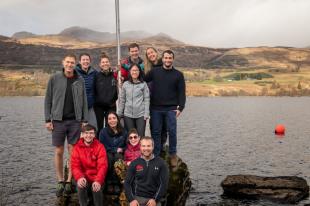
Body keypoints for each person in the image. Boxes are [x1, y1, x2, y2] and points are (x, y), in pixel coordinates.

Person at [44, 54, 88, 197]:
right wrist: (47, 119)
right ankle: (60, 180)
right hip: (58, 121)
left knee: (73, 152)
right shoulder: (54, 78)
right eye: (67, 62)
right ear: (63, 63)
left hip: (75, 121)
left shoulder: (79, 79)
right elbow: (48, 100)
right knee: (58, 151)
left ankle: (69, 181)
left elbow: (84, 101)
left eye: (72, 63)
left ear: (75, 64)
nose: (70, 65)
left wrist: (84, 119)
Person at [144, 50, 186, 166]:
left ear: (173, 59)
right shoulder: (154, 72)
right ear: (162, 59)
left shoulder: (178, 75)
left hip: (171, 108)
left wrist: (180, 108)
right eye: (166, 58)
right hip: (155, 108)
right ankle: (156, 155)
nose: (168, 60)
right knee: (156, 132)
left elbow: (181, 93)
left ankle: (173, 154)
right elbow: (141, 79)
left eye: (170, 58)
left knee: (172, 132)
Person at [124, 136, 169, 206]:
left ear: (153, 147)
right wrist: (132, 200)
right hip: (137, 199)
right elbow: (127, 183)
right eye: (143, 146)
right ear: (140, 147)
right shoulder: (134, 163)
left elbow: (164, 184)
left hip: (154, 200)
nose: (146, 148)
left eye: (148, 146)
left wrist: (155, 199)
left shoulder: (161, 163)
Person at [71, 124, 108, 206]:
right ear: (82, 134)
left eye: (91, 133)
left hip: (96, 177)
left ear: (94, 135)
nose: (88, 135)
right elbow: (75, 166)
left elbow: (103, 166)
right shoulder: (77, 148)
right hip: (83, 177)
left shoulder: (100, 147)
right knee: (80, 185)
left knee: (96, 189)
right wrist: (80, 177)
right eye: (86, 133)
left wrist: (98, 180)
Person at [144, 47, 168, 152]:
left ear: (156, 53)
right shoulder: (147, 68)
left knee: (164, 126)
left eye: (152, 52)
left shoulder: (164, 64)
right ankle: (155, 147)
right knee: (154, 125)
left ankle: (161, 146)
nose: (150, 54)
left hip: (165, 101)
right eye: (148, 53)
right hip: (152, 101)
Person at [117, 63, 150, 137]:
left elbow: (147, 99)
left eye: (136, 70)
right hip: (128, 115)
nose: (134, 72)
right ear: (130, 72)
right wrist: (119, 114)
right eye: (133, 70)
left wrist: (146, 113)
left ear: (139, 72)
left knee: (140, 136)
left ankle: (141, 149)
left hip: (140, 115)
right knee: (130, 136)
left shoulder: (143, 84)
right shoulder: (125, 84)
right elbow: (122, 100)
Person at [99, 111, 127, 192]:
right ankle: (109, 183)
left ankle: (116, 183)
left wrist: (122, 149)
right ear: (107, 121)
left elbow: (126, 145)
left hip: (119, 154)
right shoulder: (103, 132)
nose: (112, 120)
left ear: (117, 119)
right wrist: (114, 149)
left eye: (114, 118)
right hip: (107, 152)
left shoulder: (123, 132)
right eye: (109, 119)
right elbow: (102, 146)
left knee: (118, 157)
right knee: (109, 158)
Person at [94, 53, 118, 132]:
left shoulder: (115, 75)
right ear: (100, 64)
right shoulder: (96, 76)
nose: (105, 64)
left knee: (111, 127)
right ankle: (99, 143)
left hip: (111, 106)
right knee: (99, 127)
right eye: (103, 62)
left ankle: (109, 144)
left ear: (109, 63)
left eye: (106, 62)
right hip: (99, 106)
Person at [76, 53, 98, 129]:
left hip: (89, 107)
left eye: (87, 60)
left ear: (90, 61)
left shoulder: (94, 73)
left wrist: (115, 74)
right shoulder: (74, 72)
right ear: (79, 61)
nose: (85, 61)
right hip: (77, 108)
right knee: (78, 131)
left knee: (94, 128)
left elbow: (102, 80)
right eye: (83, 60)